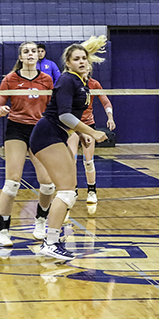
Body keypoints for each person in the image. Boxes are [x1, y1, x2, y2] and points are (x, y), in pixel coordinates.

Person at [29, 44, 108, 260]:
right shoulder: (66, 80)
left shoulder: (83, 83)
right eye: (76, 59)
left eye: (84, 58)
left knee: (69, 190)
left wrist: (81, 134)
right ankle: (51, 242)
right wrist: (92, 131)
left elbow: (71, 120)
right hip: (47, 134)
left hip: (57, 135)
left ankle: (52, 240)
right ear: (68, 63)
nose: (82, 61)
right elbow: (64, 116)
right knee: (65, 191)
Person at [0, 41, 56, 248]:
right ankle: (2, 230)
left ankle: (41, 220)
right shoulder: (10, 79)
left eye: (33, 51)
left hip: (39, 129)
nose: (30, 54)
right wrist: (0, 111)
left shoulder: (46, 80)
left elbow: (52, 108)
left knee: (47, 184)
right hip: (16, 129)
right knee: (12, 182)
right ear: (20, 57)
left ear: (39, 56)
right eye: (26, 51)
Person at [67, 64, 116, 211]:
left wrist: (110, 117)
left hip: (88, 125)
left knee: (88, 161)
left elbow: (105, 101)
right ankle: (72, 191)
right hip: (72, 125)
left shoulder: (94, 84)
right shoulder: (69, 83)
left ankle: (92, 191)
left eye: (87, 66)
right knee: (71, 160)